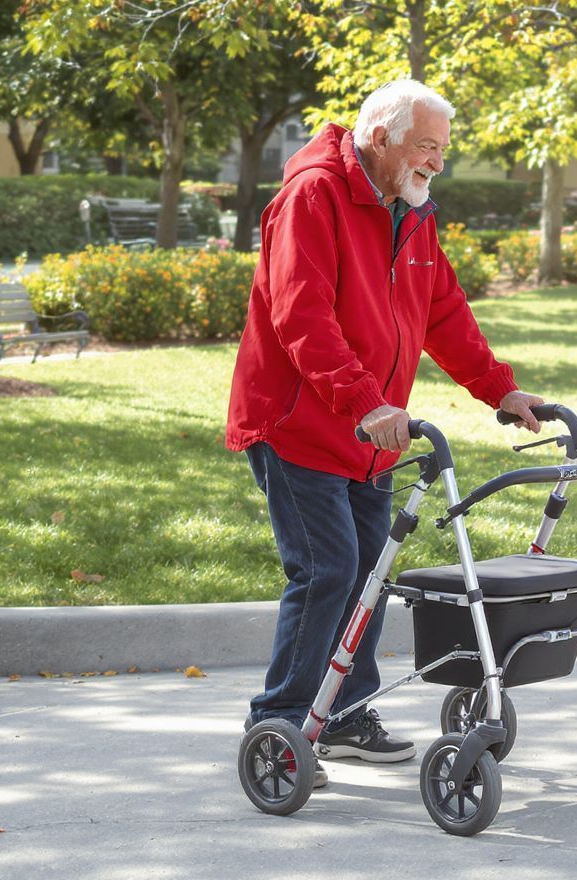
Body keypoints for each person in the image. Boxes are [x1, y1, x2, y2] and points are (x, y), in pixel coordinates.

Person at [226, 79, 544, 788]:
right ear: (380, 137)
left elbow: (443, 312)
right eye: (426, 146)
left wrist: (499, 388)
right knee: (329, 568)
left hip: (371, 431)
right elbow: (300, 315)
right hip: (299, 422)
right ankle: (280, 721)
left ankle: (341, 714)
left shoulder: (412, 211)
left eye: (442, 150)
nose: (437, 162)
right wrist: (364, 400)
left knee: (371, 572)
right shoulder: (313, 196)